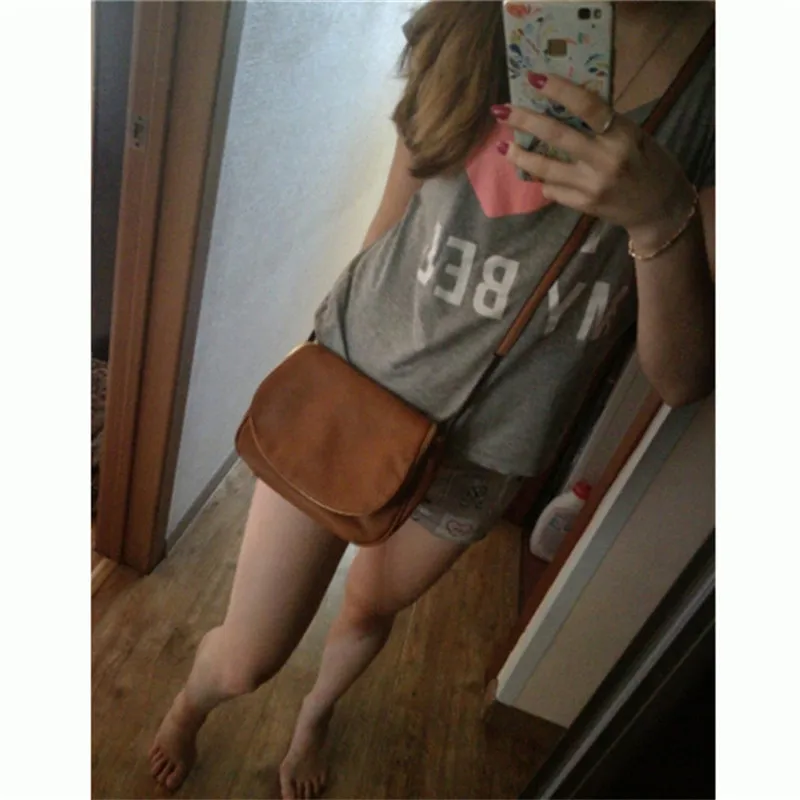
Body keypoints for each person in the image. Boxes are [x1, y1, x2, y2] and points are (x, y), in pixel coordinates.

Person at [149, 2, 716, 797]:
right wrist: (320, 353)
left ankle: (317, 715)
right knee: (247, 656)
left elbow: (682, 379)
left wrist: (660, 216)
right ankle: (189, 706)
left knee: (369, 609)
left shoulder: (727, 86)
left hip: (488, 448)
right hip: (358, 387)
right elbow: (392, 220)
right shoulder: (478, 17)